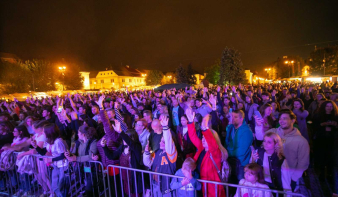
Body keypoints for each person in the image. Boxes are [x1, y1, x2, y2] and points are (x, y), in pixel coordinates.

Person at [266, 109, 309, 192]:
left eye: (284, 118)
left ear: (292, 120)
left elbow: (303, 163)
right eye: (280, 119)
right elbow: (260, 137)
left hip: (289, 177)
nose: (281, 121)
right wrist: (259, 125)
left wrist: (293, 178)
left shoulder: (301, 141)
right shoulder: (274, 132)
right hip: (272, 174)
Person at [186, 108, 226, 197]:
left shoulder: (216, 152)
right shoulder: (201, 148)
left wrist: (205, 128)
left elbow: (212, 144)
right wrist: (190, 122)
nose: (203, 140)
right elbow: (193, 137)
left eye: (205, 138)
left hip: (213, 189)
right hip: (202, 185)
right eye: (203, 138)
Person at [101, 120, 144, 196]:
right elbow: (112, 156)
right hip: (125, 178)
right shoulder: (122, 147)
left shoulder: (136, 147)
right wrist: (104, 147)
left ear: (132, 138)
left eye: (126, 138)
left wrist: (121, 132)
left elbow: (131, 143)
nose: (123, 140)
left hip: (134, 179)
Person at [143, 115, 177, 197]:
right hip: (156, 184)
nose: (160, 143)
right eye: (161, 141)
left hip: (166, 187)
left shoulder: (171, 154)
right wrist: (146, 153)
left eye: (163, 141)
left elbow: (169, 142)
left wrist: (165, 127)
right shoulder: (157, 152)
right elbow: (148, 163)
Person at [32, 123, 69, 197]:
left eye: (44, 131)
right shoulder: (49, 142)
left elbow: (63, 156)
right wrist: (36, 146)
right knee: (54, 186)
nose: (42, 133)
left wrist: (51, 160)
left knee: (61, 186)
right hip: (55, 165)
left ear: (49, 132)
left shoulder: (58, 141)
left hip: (63, 166)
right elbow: (44, 152)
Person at [65, 125, 99, 197]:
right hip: (82, 167)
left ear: (83, 134)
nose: (77, 134)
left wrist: (76, 158)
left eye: (78, 133)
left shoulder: (93, 142)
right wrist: (69, 154)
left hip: (91, 168)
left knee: (90, 188)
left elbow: (90, 156)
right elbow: (75, 154)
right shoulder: (78, 142)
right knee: (87, 186)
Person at [225, 109, 253, 183]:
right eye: (232, 116)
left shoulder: (246, 131)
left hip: (241, 164)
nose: (233, 119)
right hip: (231, 161)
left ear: (241, 119)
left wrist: (227, 153)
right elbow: (227, 142)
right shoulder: (231, 128)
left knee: (239, 184)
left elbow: (241, 151)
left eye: (236, 117)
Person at [313, 100, 338, 182]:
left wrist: (335, 125)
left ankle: (330, 174)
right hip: (321, 139)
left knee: (331, 158)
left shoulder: (336, 116)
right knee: (322, 156)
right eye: (327, 106)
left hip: (333, 140)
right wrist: (321, 125)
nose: (329, 108)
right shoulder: (318, 116)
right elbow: (313, 126)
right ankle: (322, 173)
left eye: (331, 106)